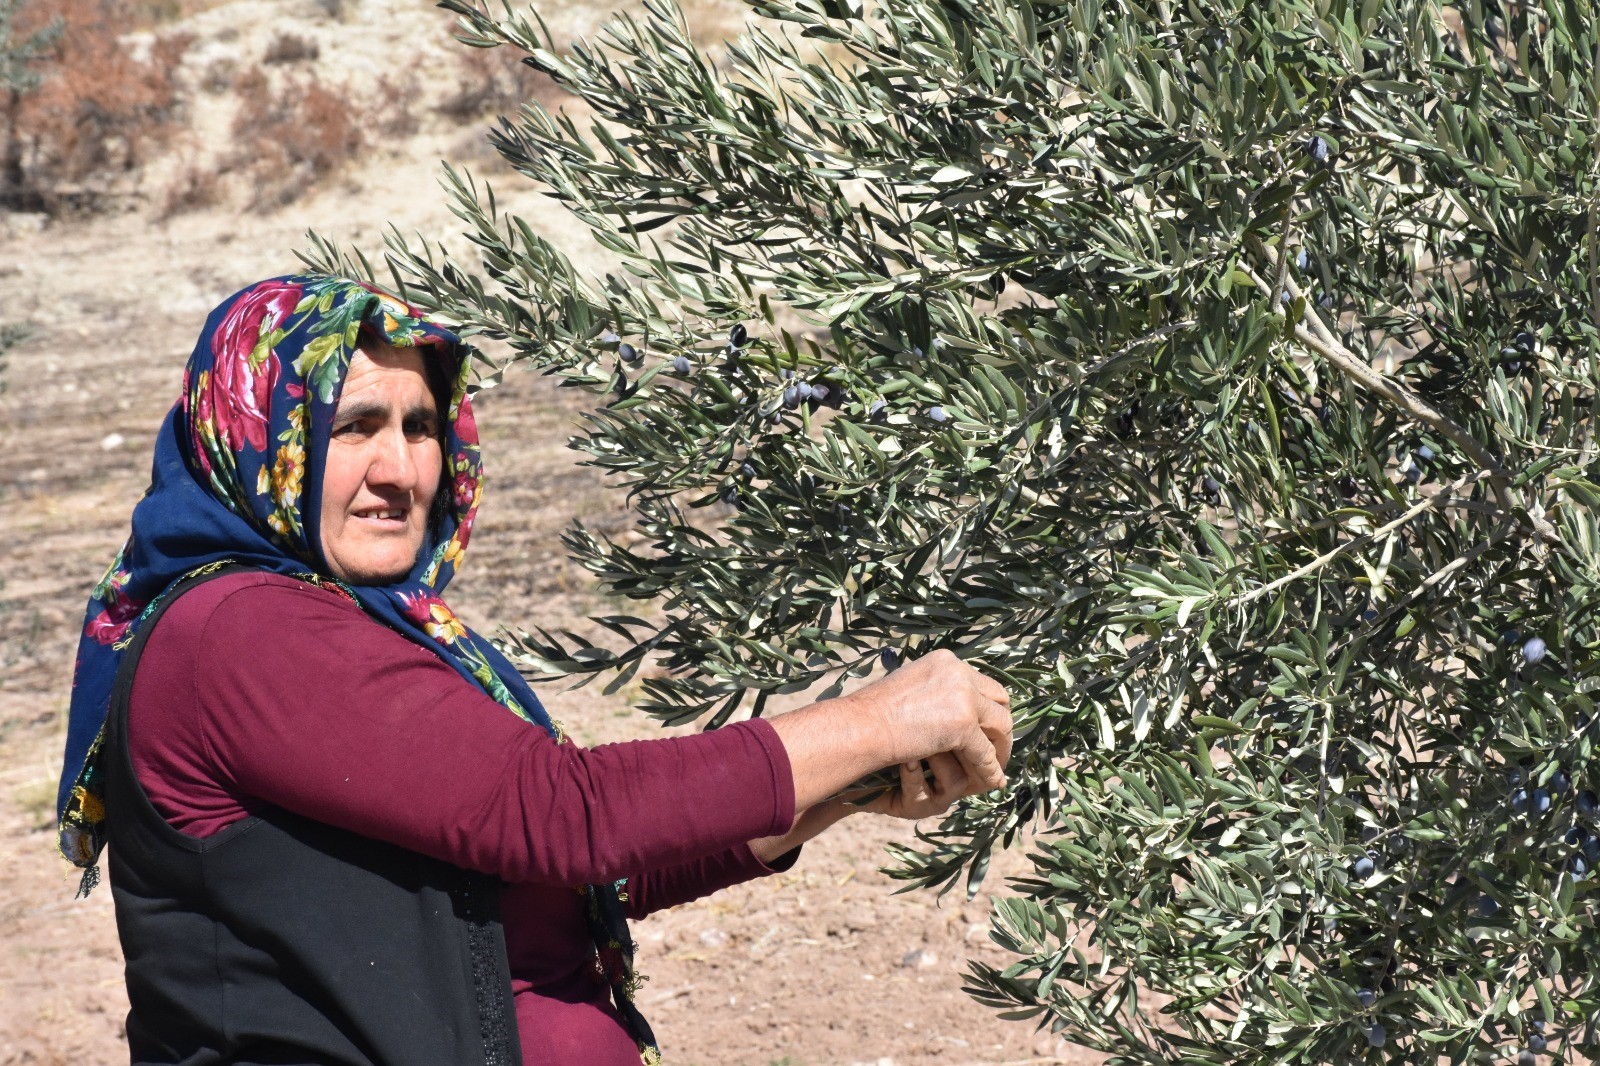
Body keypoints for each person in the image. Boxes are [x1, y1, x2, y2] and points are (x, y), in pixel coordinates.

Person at [56, 274, 1013, 1066]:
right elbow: (562, 816)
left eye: (421, 425)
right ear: (255, 434)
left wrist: (837, 792)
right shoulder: (240, 631)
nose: (400, 469)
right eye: (351, 428)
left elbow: (546, 876)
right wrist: (876, 721)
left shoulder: (349, 623)